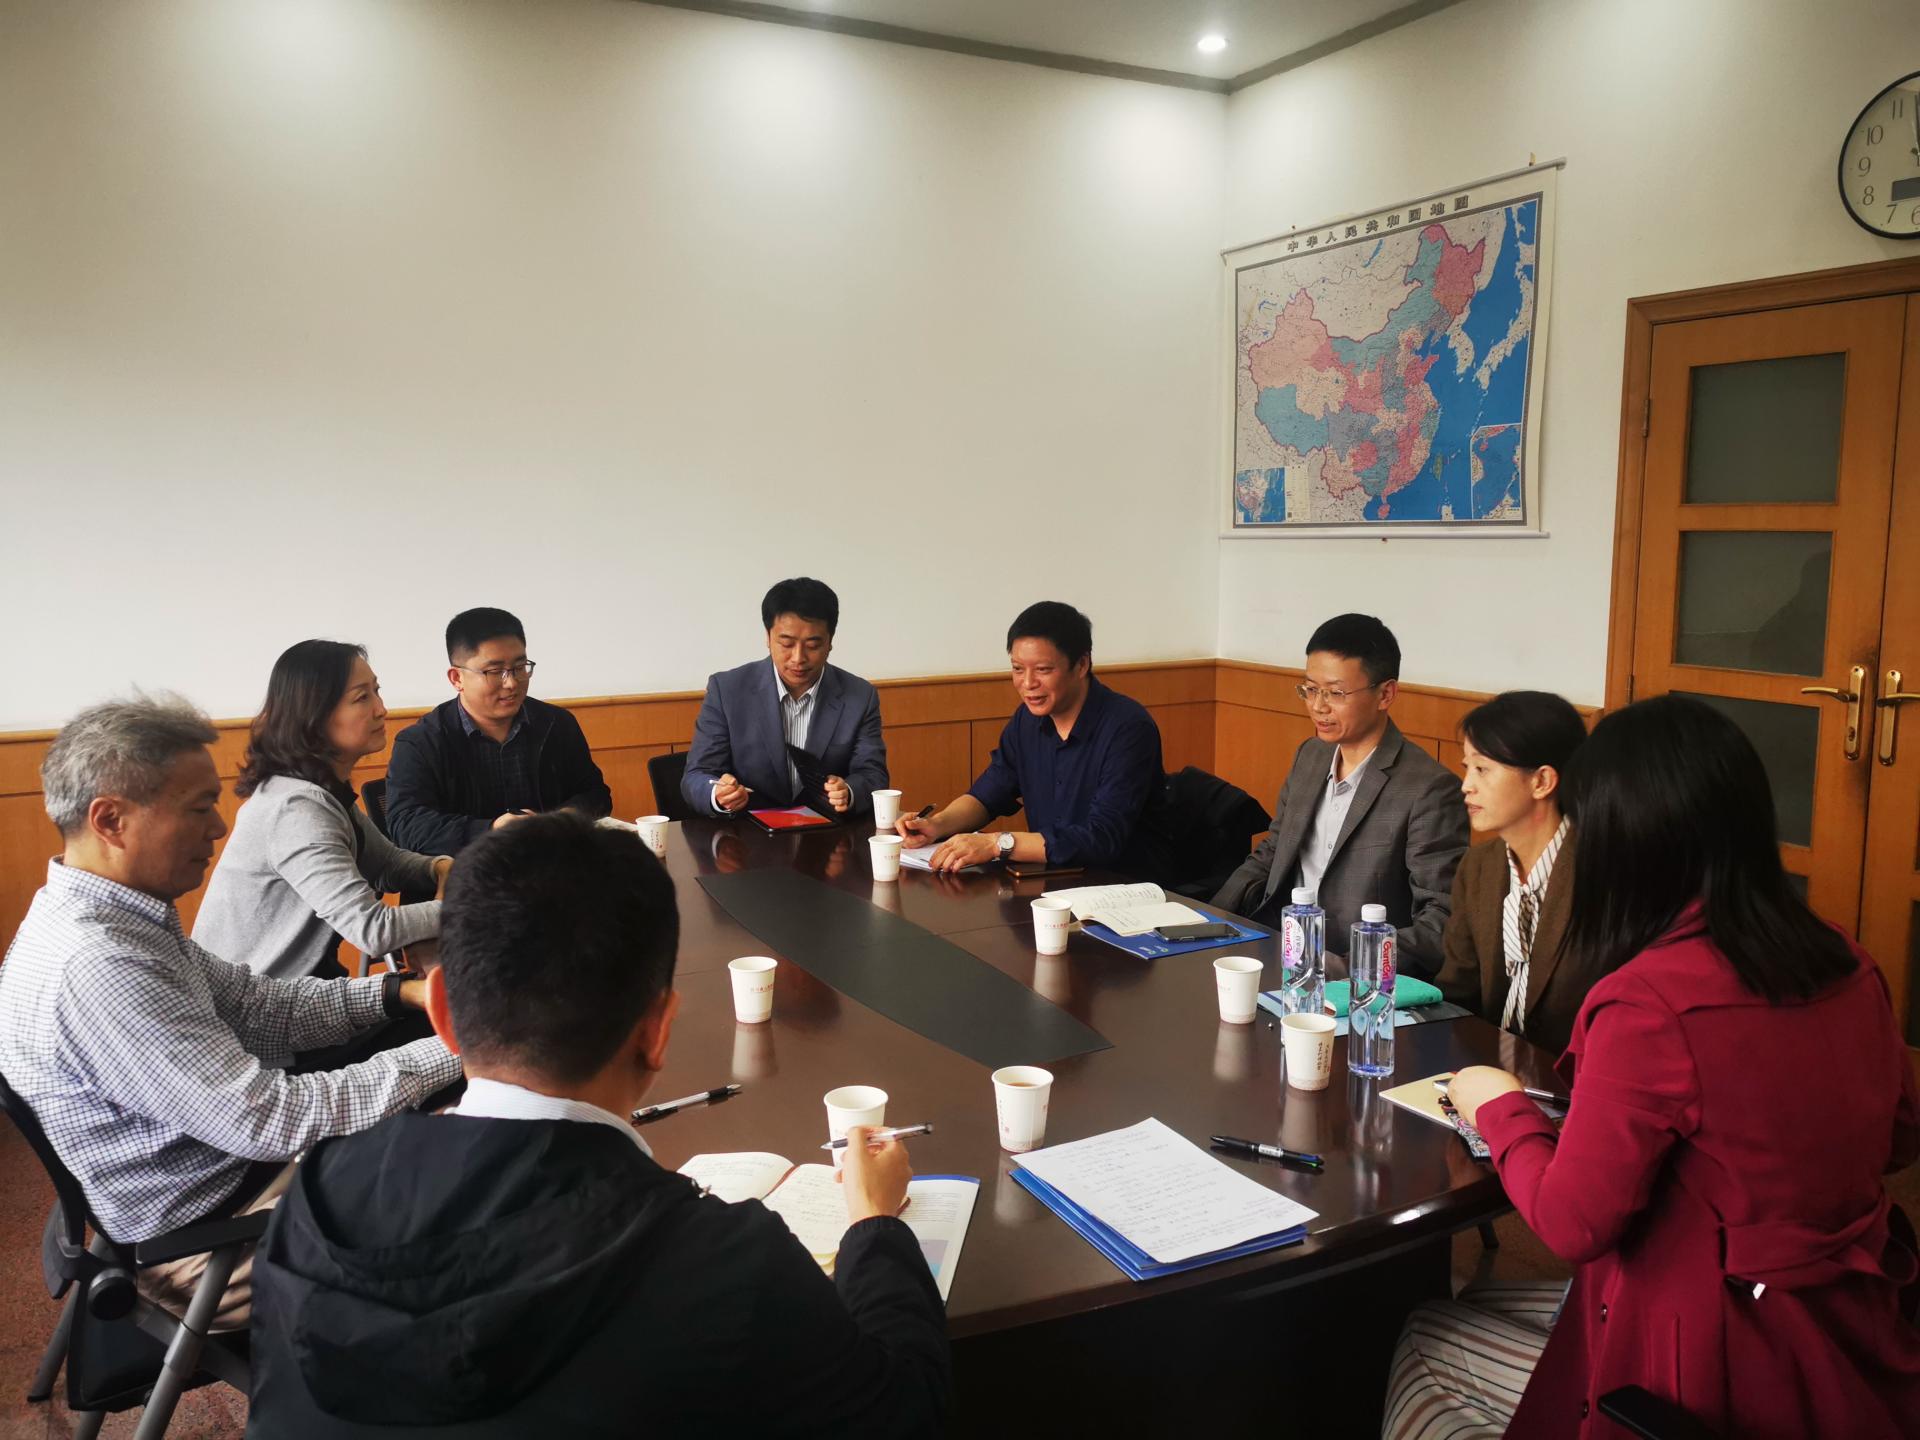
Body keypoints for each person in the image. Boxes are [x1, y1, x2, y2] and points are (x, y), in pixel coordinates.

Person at [247, 813, 950, 1436]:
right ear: (659, 1031)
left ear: (441, 1015)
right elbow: (904, 1411)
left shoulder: (315, 1200)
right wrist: (874, 1225)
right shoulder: (723, 1265)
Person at [1385, 696, 1920, 1440]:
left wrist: (1498, 1105)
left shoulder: (1649, 1001)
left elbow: (1572, 1223)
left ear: (1625, 841)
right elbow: (1899, 1137)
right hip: (1853, 1338)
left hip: (1711, 1360)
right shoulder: (1847, 961)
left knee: (1426, 1339)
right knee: (1477, 1304)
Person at [0, 698, 460, 1329]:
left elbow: (260, 1006)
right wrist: (474, 1043)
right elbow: (274, 1118)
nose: (218, 828)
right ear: (111, 820)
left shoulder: (108, 917)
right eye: (198, 809)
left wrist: (397, 993)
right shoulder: (99, 964)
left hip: (230, 1184)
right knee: (498, 1190)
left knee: (464, 1121)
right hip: (214, 1247)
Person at [1211, 614, 1466, 974]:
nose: (1318, 706)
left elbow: (1442, 917)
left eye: (1335, 693)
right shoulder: (1311, 755)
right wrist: (1210, 920)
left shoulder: (1428, 788)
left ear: (1385, 694)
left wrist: (1352, 967)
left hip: (1354, 976)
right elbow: (1274, 850)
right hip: (1278, 947)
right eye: (1310, 689)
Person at [194, 640, 448, 981]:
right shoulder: (295, 808)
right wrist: (469, 905)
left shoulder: (320, 790)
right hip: (258, 1005)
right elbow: (373, 930)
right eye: (362, 698)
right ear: (315, 715)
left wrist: (441, 867)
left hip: (303, 990)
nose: (381, 710)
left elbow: (387, 865)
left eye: (377, 691)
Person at [899, 601, 1165, 874]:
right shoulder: (1027, 721)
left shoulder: (1128, 728)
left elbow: (1101, 838)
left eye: (1043, 670)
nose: (1027, 683)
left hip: (1121, 885)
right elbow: (988, 795)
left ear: (1081, 664)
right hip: (1051, 881)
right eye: (1017, 669)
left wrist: (998, 843)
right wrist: (937, 825)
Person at [1431, 690, 1593, 1054]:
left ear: (1542, 781)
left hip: (1570, 1076)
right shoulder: (1479, 867)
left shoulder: (1597, 872)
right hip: (1488, 1065)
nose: (1466, 785)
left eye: (1482, 769)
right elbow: (1458, 994)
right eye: (1467, 768)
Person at [384, 606, 611, 854]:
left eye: (520, 667)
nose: (511, 682)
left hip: (550, 865)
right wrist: (493, 829)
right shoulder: (420, 742)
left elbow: (596, 794)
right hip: (464, 871)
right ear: (456, 678)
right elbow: (407, 826)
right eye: (494, 672)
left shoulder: (556, 724)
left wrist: (559, 819)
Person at [681, 577, 889, 819]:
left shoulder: (859, 696)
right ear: (768, 637)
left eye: (813, 645)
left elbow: (873, 775)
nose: (798, 658)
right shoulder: (727, 690)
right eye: (786, 644)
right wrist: (718, 795)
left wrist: (848, 792)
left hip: (827, 833)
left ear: (830, 642)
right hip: (747, 833)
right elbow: (696, 776)